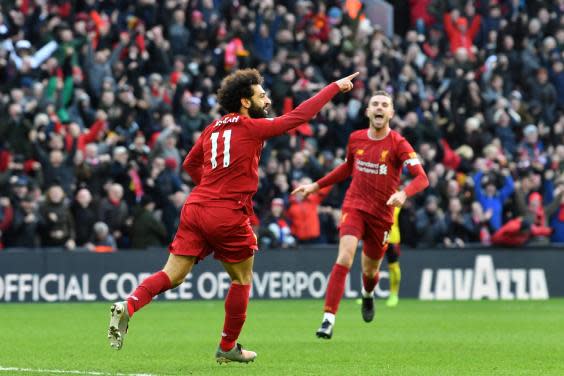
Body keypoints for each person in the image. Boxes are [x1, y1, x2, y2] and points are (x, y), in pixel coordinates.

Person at [107, 68, 359, 362]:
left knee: (172, 275)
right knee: (242, 279)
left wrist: (212, 186)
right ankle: (227, 347)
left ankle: (129, 304)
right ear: (244, 102)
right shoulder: (250, 127)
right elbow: (299, 117)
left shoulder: (212, 128)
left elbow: (190, 164)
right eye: (261, 96)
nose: (267, 101)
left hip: (195, 207)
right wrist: (333, 87)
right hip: (225, 211)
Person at [292, 91, 429, 339]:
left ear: (391, 113)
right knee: (345, 257)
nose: (379, 108)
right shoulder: (355, 139)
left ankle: (367, 295)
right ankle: (328, 319)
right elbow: (347, 168)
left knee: (369, 271)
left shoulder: (399, 144)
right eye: (375, 104)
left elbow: (422, 178)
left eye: (384, 105)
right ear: (367, 111)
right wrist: (315, 186)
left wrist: (404, 194)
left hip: (382, 216)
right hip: (354, 206)